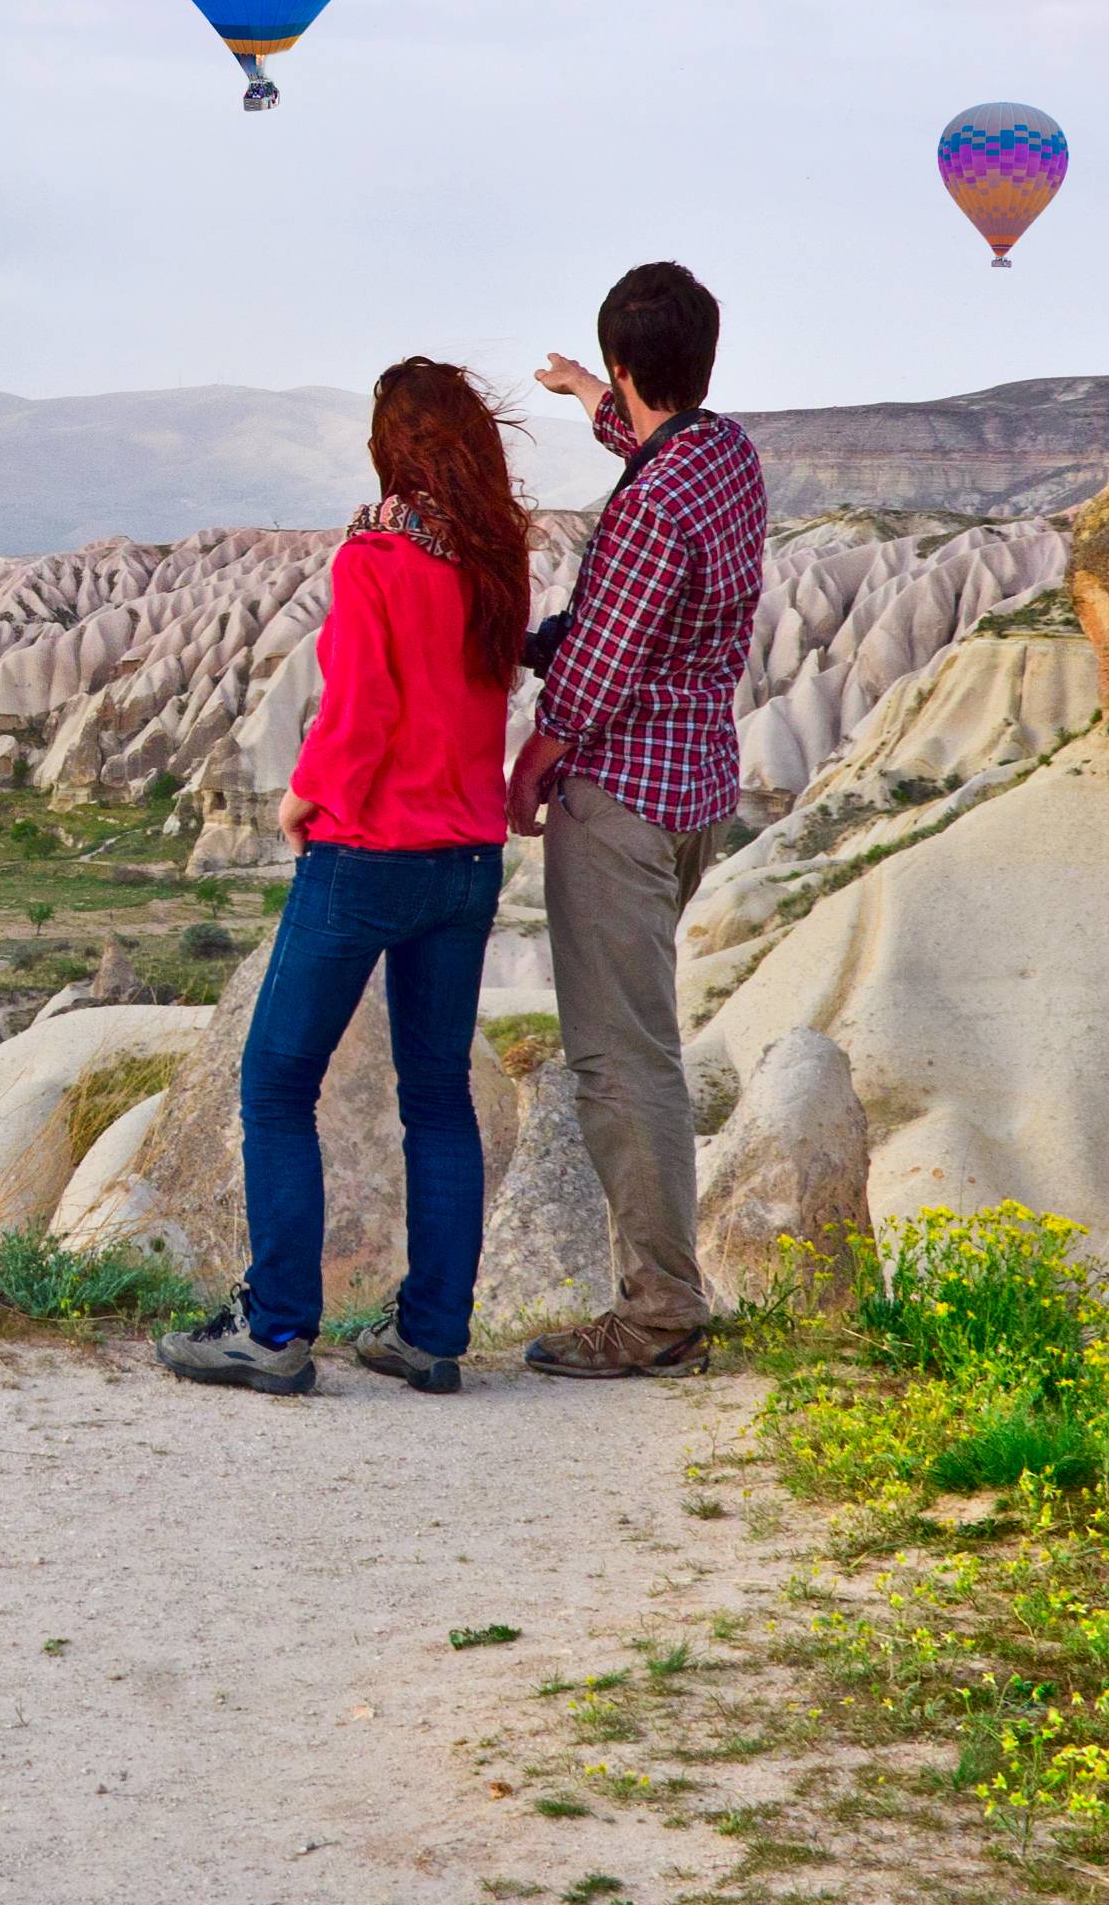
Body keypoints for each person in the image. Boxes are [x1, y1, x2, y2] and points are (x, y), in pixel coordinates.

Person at [158, 357, 538, 1397]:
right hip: (465, 862)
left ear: (390, 447)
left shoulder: (375, 554)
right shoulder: (494, 559)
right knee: (437, 1100)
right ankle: (430, 1337)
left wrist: (302, 795)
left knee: (275, 1082)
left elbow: (360, 708)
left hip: (368, 854)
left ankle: (274, 1331)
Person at [513, 260, 768, 1378]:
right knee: (642, 1046)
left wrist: (532, 756)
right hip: (695, 790)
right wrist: (588, 399)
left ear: (629, 365)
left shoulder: (648, 507)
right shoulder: (722, 457)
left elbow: (598, 662)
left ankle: (659, 1312)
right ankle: (663, 1293)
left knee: (621, 1062)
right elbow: (653, 447)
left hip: (616, 801)